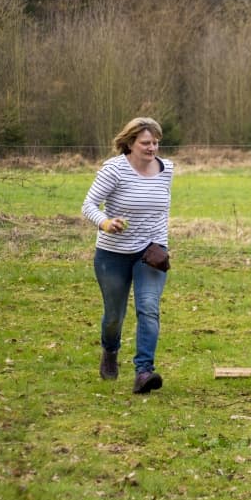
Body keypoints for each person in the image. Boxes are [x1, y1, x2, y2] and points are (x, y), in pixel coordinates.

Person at [81, 117, 174, 394]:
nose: (152, 148)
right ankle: (110, 350)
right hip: (113, 253)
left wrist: (160, 241)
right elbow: (88, 205)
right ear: (130, 143)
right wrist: (106, 222)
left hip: (152, 252)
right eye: (146, 143)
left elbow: (161, 209)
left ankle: (144, 372)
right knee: (114, 316)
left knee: (148, 308)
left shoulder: (167, 169)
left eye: (156, 142)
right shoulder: (114, 169)